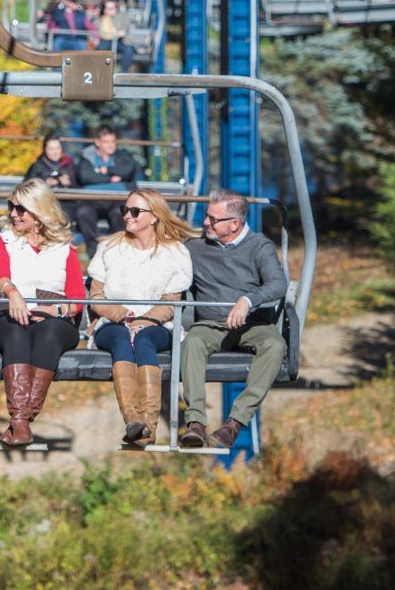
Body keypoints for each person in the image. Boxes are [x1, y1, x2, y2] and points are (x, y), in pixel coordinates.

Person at [179, 189, 288, 450]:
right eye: (207, 216)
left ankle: (235, 423)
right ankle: (195, 423)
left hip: (252, 324)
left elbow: (277, 284)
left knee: (275, 346)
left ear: (235, 224)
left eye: (213, 219)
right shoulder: (194, 247)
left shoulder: (260, 246)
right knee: (192, 342)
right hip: (211, 324)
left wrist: (248, 300)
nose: (206, 223)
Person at [87, 189, 195, 446]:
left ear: (154, 216)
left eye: (135, 211)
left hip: (157, 324)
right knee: (122, 339)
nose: (127, 216)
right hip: (112, 323)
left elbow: (171, 301)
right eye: (125, 210)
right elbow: (96, 295)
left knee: (145, 340)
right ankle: (133, 419)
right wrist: (121, 315)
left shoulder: (175, 252)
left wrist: (145, 320)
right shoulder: (110, 247)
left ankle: (149, 423)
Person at [0, 179, 86, 447]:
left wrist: (53, 309)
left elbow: (77, 296)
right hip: (12, 312)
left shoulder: (64, 248)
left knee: (49, 331)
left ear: (39, 211)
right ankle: (21, 422)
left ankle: (21, 421)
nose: (12, 214)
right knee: (16, 331)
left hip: (54, 318)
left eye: (20, 209)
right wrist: (12, 293)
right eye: (11, 207)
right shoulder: (5, 241)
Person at [75, 124, 139, 257]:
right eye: (106, 142)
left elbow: (128, 170)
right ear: (98, 142)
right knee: (83, 213)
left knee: (120, 214)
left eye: (113, 141)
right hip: (92, 201)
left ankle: (117, 252)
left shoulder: (122, 156)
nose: (111, 145)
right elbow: (85, 176)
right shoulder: (87, 158)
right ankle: (93, 253)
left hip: (116, 200)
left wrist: (104, 171)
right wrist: (112, 177)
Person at [25, 132, 79, 222]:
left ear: (61, 149)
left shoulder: (69, 165)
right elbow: (26, 186)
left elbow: (79, 187)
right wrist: (44, 183)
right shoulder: (37, 166)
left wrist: (69, 183)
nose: (55, 152)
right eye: (51, 149)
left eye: (57, 148)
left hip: (66, 204)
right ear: (45, 150)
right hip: (43, 203)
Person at [97, 0, 135, 72]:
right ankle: (101, 71)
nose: (112, 10)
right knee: (101, 49)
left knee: (129, 49)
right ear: (105, 10)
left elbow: (126, 27)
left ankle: (124, 72)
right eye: (109, 8)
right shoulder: (100, 19)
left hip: (119, 41)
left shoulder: (121, 16)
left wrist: (122, 32)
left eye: (113, 8)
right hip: (105, 41)